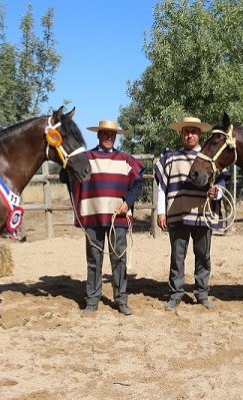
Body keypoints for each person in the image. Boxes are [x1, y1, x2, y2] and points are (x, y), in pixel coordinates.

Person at [62, 119, 144, 315]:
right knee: (93, 260)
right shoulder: (86, 158)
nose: (108, 137)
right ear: (98, 135)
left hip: (118, 218)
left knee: (119, 259)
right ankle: (92, 300)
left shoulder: (125, 159)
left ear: (115, 136)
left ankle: (121, 299)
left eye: (112, 134)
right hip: (93, 216)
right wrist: (65, 162)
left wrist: (127, 202)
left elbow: (138, 183)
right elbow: (66, 176)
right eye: (105, 133)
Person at [154, 117, 229, 311]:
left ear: (200, 134)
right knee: (177, 256)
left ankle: (202, 293)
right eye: (186, 131)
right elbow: (162, 187)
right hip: (177, 213)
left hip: (203, 214)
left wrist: (217, 193)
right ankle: (176, 293)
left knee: (203, 255)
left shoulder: (212, 157)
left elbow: (221, 183)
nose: (190, 135)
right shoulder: (169, 158)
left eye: (193, 131)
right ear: (181, 134)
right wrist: (161, 211)